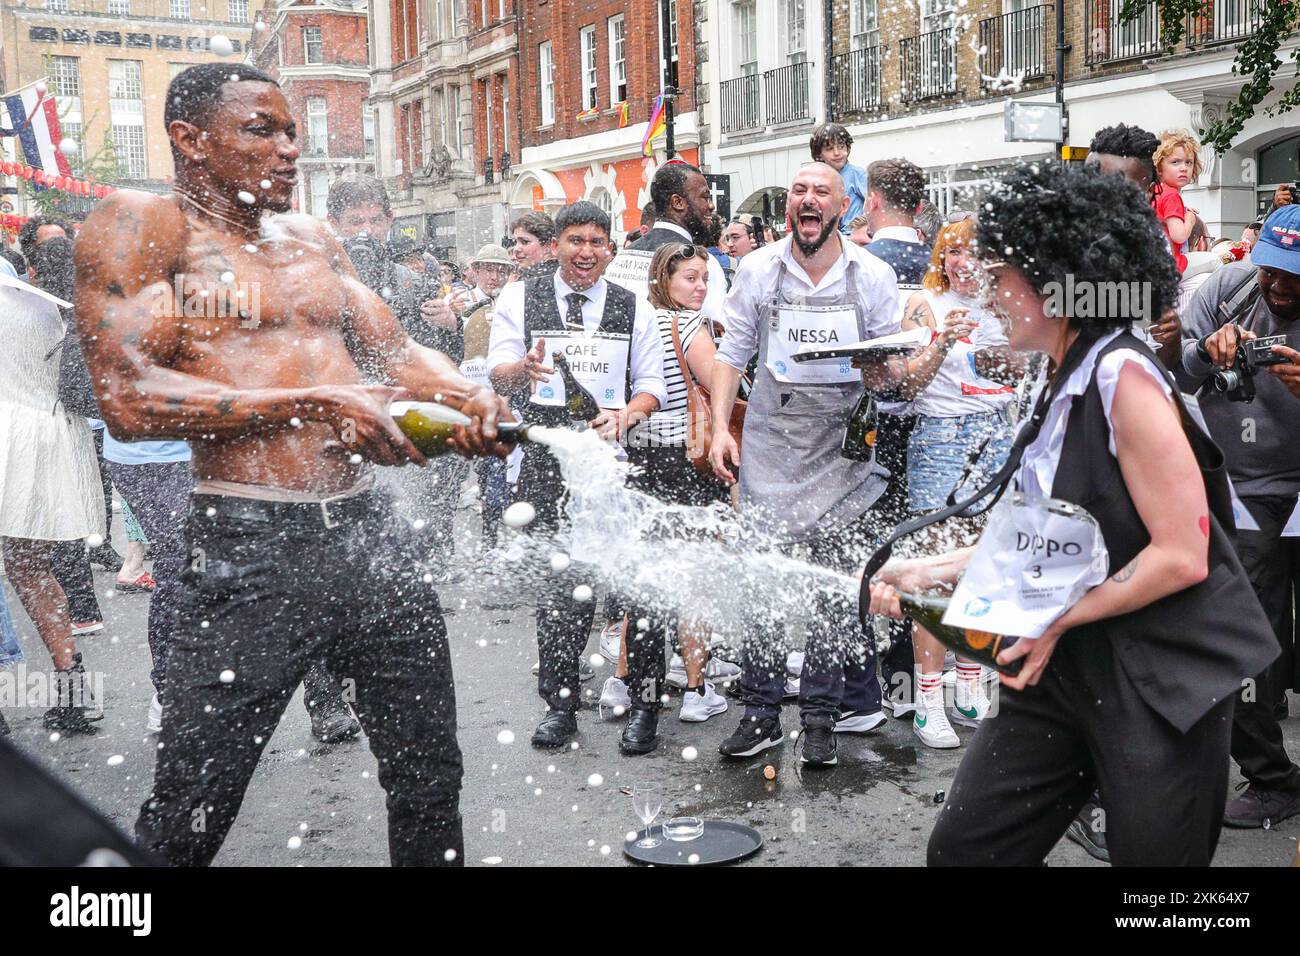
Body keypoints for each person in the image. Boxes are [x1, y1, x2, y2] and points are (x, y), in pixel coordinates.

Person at [75, 63, 513, 867]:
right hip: (248, 545)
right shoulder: (148, 223)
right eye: (261, 131)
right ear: (189, 140)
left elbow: (391, 350)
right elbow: (127, 398)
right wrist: (318, 402)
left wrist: (467, 396)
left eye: (291, 134)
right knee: (193, 803)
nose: (287, 150)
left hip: (368, 532)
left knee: (428, 773)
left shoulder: (311, 236)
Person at [869, 162, 1278, 866]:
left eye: (1005, 277)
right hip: (1065, 669)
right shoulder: (1061, 372)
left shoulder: (1123, 375)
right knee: (967, 851)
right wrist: (926, 570)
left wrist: (1056, 619)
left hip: (1161, 676)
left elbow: (1183, 553)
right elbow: (1049, 535)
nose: (993, 292)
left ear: (1058, 285)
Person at [708, 162, 901, 767]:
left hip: (841, 451)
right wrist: (718, 428)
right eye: (799, 191)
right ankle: (761, 713)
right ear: (789, 207)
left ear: (845, 205)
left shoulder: (872, 275)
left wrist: (883, 372)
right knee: (762, 581)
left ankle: (821, 717)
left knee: (830, 594)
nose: (808, 199)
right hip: (771, 444)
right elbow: (732, 355)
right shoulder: (759, 270)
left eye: (821, 190)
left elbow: (890, 366)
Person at [487, 200, 667, 749]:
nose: (585, 252)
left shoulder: (633, 306)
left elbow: (653, 385)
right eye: (575, 241)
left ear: (609, 248)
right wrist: (524, 369)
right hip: (549, 462)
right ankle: (560, 705)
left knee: (639, 588)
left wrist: (627, 414)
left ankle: (645, 706)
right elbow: (498, 372)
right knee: (561, 590)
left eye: (595, 241)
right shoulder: (520, 296)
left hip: (619, 463)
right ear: (556, 244)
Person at [1177, 204, 1300, 829]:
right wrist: (1205, 351)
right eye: (1273, 271)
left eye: (1296, 277)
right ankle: (1271, 776)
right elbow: (1177, 373)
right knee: (1239, 623)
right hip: (1245, 486)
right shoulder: (1227, 288)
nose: (1281, 287)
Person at [599, 244, 737, 753]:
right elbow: (719, 382)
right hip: (682, 461)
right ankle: (697, 690)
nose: (700, 288)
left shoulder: (639, 322)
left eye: (704, 279)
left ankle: (623, 681)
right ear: (665, 280)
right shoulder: (689, 328)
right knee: (689, 579)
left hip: (638, 460)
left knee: (644, 581)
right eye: (690, 279)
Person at [892, 215, 1019, 747]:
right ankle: (927, 700)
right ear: (942, 259)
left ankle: (968, 683)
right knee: (934, 574)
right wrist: (943, 342)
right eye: (955, 252)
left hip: (1002, 436)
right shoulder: (924, 305)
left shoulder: (1009, 308)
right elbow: (902, 385)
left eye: (977, 253)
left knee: (987, 569)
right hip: (943, 439)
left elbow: (1031, 370)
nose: (965, 262)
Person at [0, 246, 105, 733]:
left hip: (11, 438)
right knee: (31, 568)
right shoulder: (54, 304)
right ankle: (73, 688)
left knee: (25, 568)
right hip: (52, 439)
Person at [863, 157, 932, 718]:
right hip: (935, 425)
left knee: (868, 545)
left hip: (876, 420)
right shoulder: (942, 263)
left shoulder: (862, 264)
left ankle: (869, 680)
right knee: (917, 544)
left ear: (875, 201)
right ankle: (910, 680)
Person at [632, 162, 727, 328]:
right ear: (677, 202)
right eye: (705, 197)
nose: (711, 206)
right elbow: (717, 331)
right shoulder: (702, 263)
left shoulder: (622, 256)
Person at [1152, 129, 1202, 274]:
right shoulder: (1171, 195)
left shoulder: (1156, 192)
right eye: (1175, 162)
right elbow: (1179, 235)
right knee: (1216, 262)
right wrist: (1190, 218)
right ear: (1159, 168)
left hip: (1155, 264)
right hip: (1173, 265)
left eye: (1188, 162)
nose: (1183, 168)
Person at [810, 123, 868, 236]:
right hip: (829, 237)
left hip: (853, 235)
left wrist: (862, 225)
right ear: (819, 154)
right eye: (830, 149)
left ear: (848, 147)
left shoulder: (857, 174)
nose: (837, 153)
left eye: (841, 147)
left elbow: (873, 203)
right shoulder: (817, 179)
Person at [510, 211, 558, 278]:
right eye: (515, 242)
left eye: (525, 242)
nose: (516, 249)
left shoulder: (537, 281)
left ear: (548, 246)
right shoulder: (563, 274)